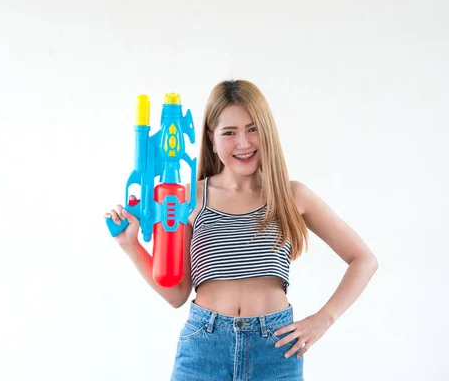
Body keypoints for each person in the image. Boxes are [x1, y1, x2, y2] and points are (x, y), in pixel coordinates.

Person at [104, 80, 378, 381]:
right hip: (203, 350)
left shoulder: (292, 196)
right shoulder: (188, 198)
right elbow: (177, 294)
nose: (243, 143)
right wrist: (129, 243)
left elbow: (363, 259)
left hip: (276, 350)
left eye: (252, 129)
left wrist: (322, 320)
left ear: (267, 131)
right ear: (211, 138)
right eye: (229, 133)